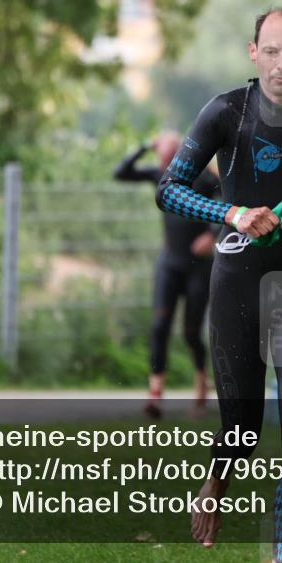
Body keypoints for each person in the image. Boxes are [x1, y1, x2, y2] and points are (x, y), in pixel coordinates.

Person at [156, 8, 282, 563]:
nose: (281, 63)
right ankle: (217, 484)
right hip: (237, 288)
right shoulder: (227, 111)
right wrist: (234, 214)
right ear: (254, 53)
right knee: (243, 431)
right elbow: (169, 188)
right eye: (270, 51)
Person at [114, 131, 219, 419]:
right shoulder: (159, 175)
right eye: (161, 159)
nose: (164, 165)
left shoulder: (202, 177)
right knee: (160, 326)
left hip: (199, 267)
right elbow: (121, 173)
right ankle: (155, 396)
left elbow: (228, 198)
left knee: (190, 332)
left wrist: (211, 234)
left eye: (169, 158)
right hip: (169, 264)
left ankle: (201, 383)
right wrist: (146, 145)